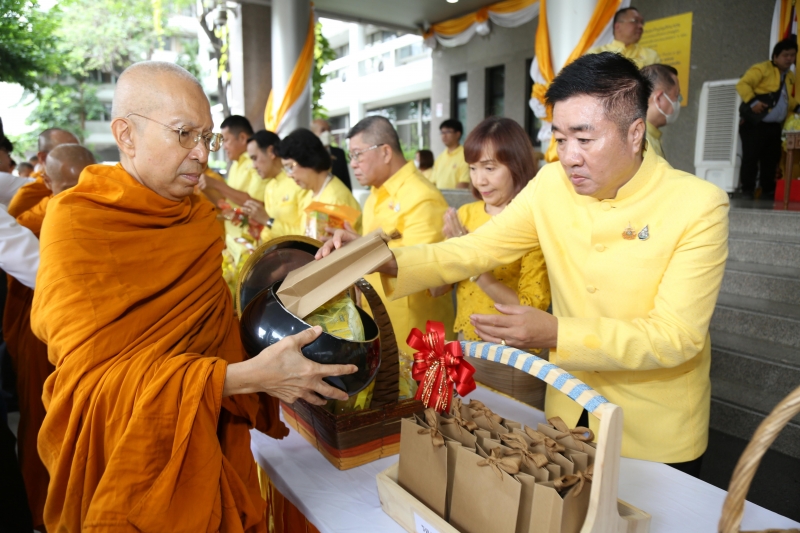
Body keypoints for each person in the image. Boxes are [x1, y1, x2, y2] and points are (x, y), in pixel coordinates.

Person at [321, 52, 729, 476]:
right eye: (560, 138)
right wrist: (384, 259)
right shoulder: (553, 184)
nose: (569, 156)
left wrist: (556, 333)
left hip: (655, 428)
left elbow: (675, 336)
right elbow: (475, 249)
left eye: (584, 139)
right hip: (569, 412)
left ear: (635, 132)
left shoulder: (697, 205)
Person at [28, 61, 356, 532]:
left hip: (208, 440)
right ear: (126, 134)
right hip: (131, 457)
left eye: (208, 138)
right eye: (184, 134)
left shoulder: (199, 219)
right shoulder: (79, 222)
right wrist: (239, 379)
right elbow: (90, 383)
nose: (202, 155)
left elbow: (212, 331)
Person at [3, 143, 95, 530]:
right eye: (65, 185)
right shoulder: (36, 210)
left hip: (89, 336)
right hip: (47, 330)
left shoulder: (110, 209)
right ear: (48, 180)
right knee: (44, 419)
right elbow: (35, 265)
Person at [346, 115, 455, 356]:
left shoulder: (422, 196)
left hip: (417, 334)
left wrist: (359, 249)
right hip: (380, 322)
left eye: (357, 154)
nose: (353, 163)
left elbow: (424, 268)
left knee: (421, 394)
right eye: (351, 156)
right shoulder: (375, 194)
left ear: (385, 152)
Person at [736, 38, 800, 200]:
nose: (789, 59)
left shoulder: (790, 75)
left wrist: (797, 107)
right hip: (755, 123)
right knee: (751, 157)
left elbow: (785, 99)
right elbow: (742, 84)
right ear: (775, 56)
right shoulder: (762, 68)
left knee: (771, 160)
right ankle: (747, 191)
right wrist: (753, 102)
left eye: (792, 55)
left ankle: (767, 191)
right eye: (786, 55)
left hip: (773, 126)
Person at [278, 128, 361, 237]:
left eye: (290, 167)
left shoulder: (337, 199)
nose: (289, 175)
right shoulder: (310, 193)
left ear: (307, 159)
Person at [241, 130, 309, 242]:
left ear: (271, 152)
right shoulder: (269, 187)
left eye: (255, 158)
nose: (253, 166)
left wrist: (268, 221)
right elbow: (268, 232)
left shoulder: (298, 182)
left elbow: (308, 234)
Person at [7, 128, 79, 218]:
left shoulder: (86, 179)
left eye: (79, 152)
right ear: (43, 157)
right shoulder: (28, 194)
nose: (79, 158)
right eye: (69, 153)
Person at [586, 7, 660, 68]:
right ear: (617, 26)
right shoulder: (596, 53)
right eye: (635, 21)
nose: (641, 26)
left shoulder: (651, 55)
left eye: (642, 22)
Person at [219, 114, 266, 201]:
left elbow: (256, 204)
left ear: (242, 138)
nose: (224, 147)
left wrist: (216, 184)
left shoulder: (258, 161)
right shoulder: (235, 164)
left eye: (226, 140)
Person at [641, 64, 682, 160]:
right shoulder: (641, 142)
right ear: (658, 98)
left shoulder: (648, 136)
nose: (678, 101)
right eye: (676, 96)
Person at [311, 118, 352, 190]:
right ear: (313, 133)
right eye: (323, 130)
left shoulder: (339, 153)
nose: (327, 133)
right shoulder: (309, 154)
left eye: (329, 130)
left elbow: (346, 180)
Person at [429, 119, 470, 189]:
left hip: (456, 198)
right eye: (442, 132)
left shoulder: (466, 155)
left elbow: (464, 183)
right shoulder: (440, 157)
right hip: (439, 198)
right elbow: (433, 182)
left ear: (458, 134)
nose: (444, 135)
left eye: (448, 132)